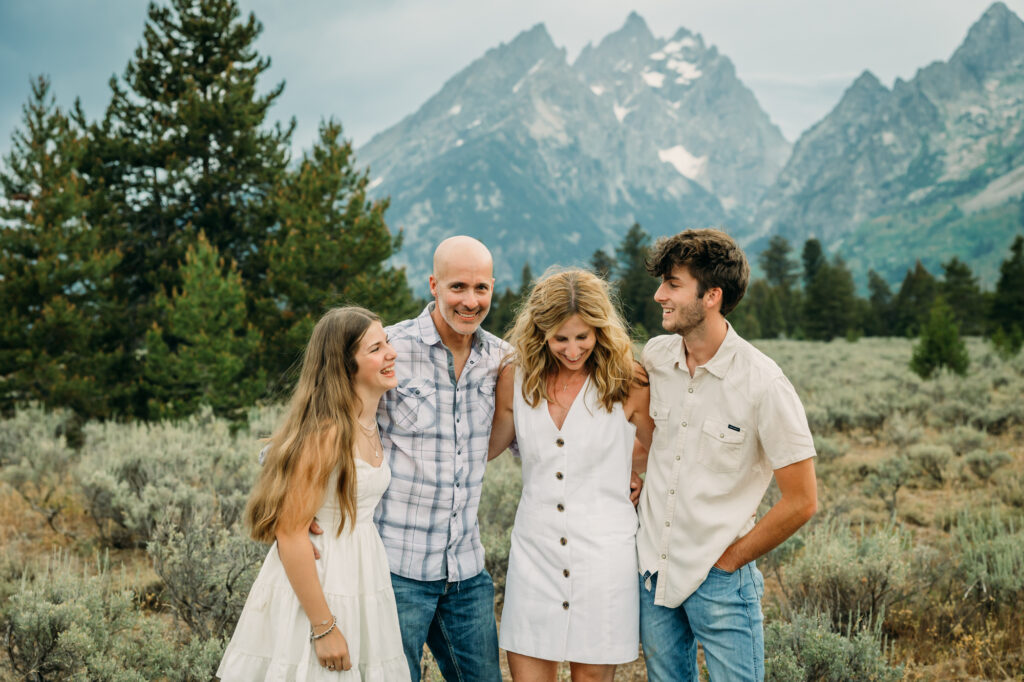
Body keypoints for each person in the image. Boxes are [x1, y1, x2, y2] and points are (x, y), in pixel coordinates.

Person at [636, 229, 818, 682]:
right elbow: (645, 438)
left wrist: (730, 561)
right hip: (652, 570)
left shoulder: (764, 383)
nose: (659, 295)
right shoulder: (656, 358)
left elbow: (802, 501)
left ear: (712, 295)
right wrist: (636, 476)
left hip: (720, 578)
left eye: (673, 284)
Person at [218, 306, 410, 680]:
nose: (391, 353)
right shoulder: (327, 434)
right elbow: (290, 533)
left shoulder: (369, 421)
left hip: (363, 573)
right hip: (322, 579)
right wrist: (324, 627)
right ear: (344, 365)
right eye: (375, 348)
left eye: (386, 341)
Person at [488, 268, 655, 682]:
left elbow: (662, 449)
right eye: (560, 338)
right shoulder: (516, 378)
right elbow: (483, 449)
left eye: (583, 336)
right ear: (539, 331)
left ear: (601, 328)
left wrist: (636, 473)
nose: (573, 349)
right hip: (535, 550)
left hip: (604, 556)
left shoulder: (628, 380)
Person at [373, 236, 505, 681]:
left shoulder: (503, 361)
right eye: (458, 287)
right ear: (433, 284)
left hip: (466, 571)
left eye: (480, 288)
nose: (470, 301)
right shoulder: (389, 348)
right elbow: (325, 428)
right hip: (395, 569)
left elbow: (544, 442)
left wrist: (629, 471)